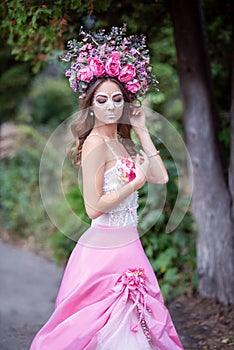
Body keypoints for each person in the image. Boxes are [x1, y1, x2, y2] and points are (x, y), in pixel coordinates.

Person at [30, 25, 184, 349]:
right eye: (102, 100)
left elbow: (161, 177)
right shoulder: (96, 144)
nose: (111, 106)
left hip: (130, 249)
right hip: (102, 254)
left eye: (117, 99)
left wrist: (141, 131)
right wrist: (135, 183)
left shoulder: (121, 141)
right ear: (91, 105)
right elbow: (92, 207)